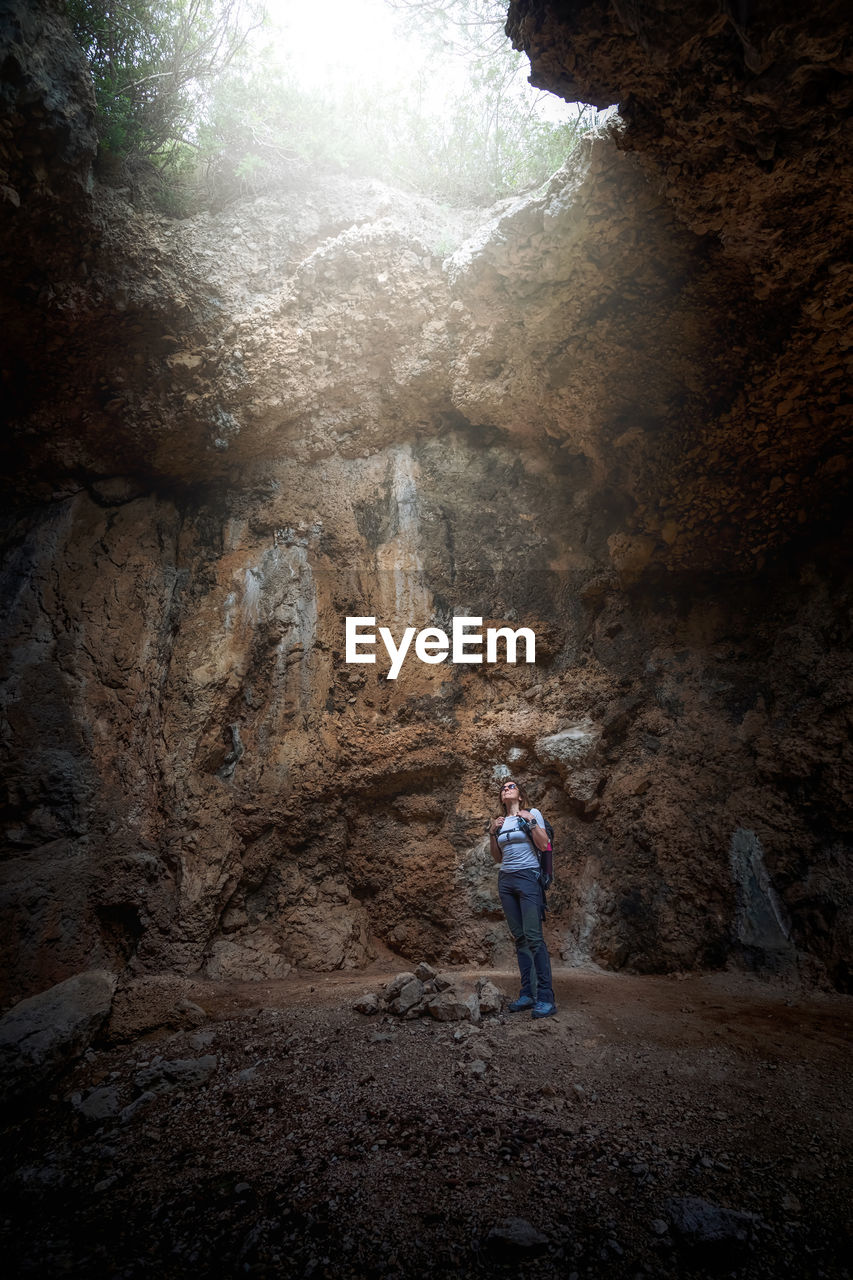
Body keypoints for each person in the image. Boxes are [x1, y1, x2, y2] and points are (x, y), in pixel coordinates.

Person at [489, 779, 556, 1019]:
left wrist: (532, 821)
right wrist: (492, 833)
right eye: (503, 788)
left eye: (511, 786)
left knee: (534, 938)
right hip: (506, 880)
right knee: (520, 939)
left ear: (520, 795)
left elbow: (543, 843)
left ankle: (546, 997)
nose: (506, 789)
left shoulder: (532, 813)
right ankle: (528, 993)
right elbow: (497, 857)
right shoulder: (500, 822)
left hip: (528, 878)